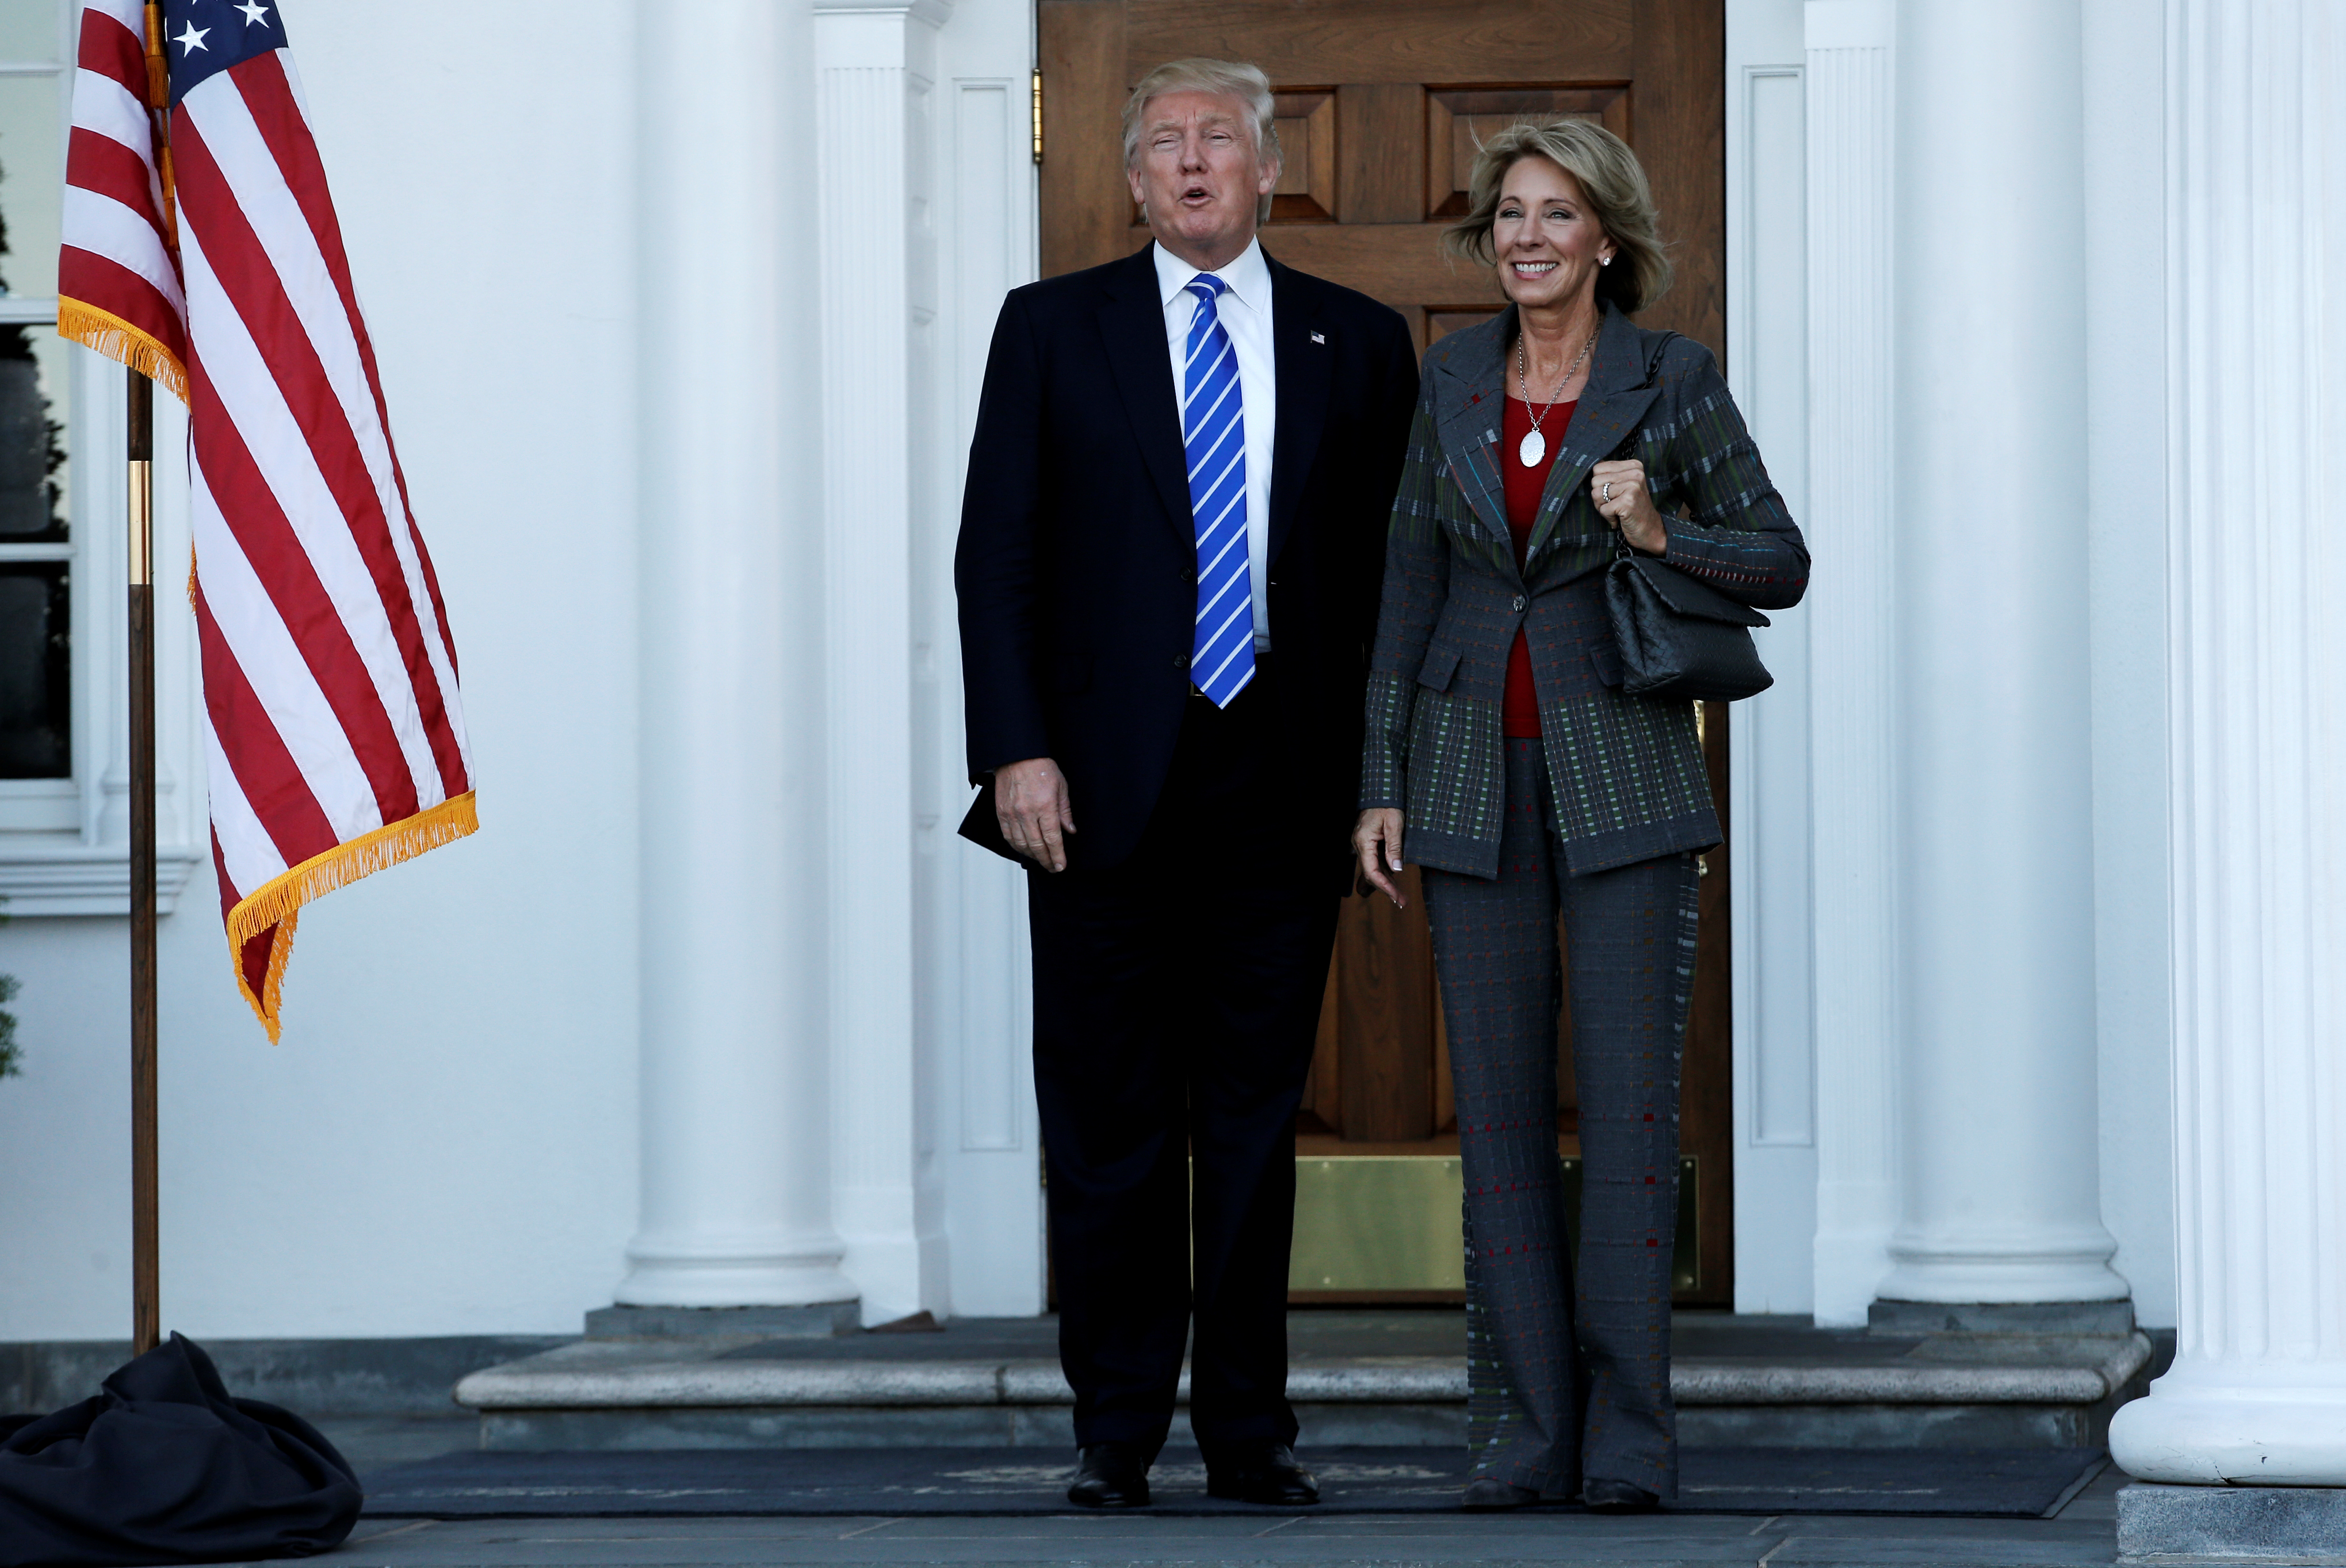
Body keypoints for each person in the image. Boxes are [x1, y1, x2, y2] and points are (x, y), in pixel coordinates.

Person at [955, 58, 1419, 1509]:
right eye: (1166, 142)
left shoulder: (1359, 340)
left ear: (1270, 168)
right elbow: (997, 554)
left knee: (1253, 1124)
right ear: (1134, 180)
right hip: (1093, 787)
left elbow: (1393, 585)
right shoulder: (1050, 328)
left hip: (1282, 777)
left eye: (1220, 136)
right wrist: (1014, 749)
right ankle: (1114, 1429)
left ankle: (1246, 1431)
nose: (1194, 159)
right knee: (1110, 1122)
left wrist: (1383, 774)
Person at [1351, 120, 1808, 1513]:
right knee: (1495, 1121)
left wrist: (1661, 528)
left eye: (1556, 214)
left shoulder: (1671, 379)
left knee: (1626, 1114)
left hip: (1625, 776)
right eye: (1509, 215)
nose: (1528, 238)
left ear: (1606, 237)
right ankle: (1522, 1439)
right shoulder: (1449, 378)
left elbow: (1780, 561)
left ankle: (1627, 1443)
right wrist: (1379, 779)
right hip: (1466, 775)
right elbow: (1408, 584)